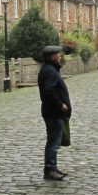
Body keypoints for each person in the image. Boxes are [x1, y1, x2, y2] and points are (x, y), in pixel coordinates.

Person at [38, 44, 72, 181]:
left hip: (53, 112)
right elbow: (49, 91)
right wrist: (61, 104)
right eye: (58, 54)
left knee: (54, 141)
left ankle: (52, 167)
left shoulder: (50, 69)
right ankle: (50, 168)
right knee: (53, 141)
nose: (60, 56)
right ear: (52, 57)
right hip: (53, 112)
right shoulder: (50, 71)